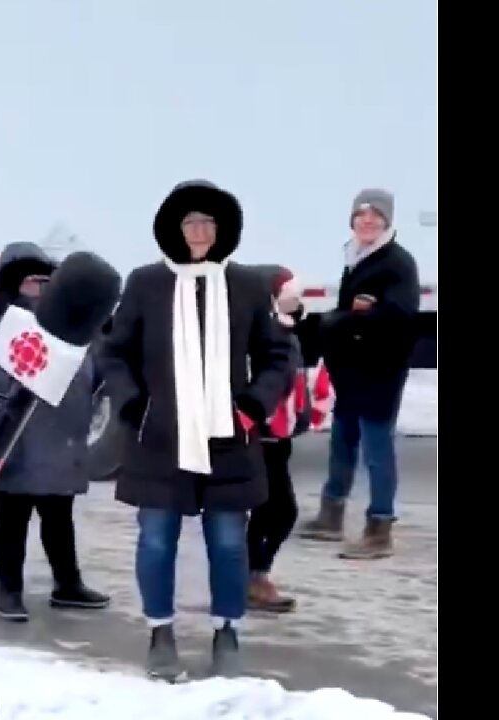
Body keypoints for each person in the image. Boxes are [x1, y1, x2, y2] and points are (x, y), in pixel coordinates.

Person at [98, 180, 296, 680]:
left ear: (223, 229)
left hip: (229, 439)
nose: (200, 231)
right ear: (174, 229)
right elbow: (114, 352)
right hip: (158, 440)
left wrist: (253, 406)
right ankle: (160, 631)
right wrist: (134, 406)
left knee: (229, 543)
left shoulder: (247, 284)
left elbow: (278, 356)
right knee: (157, 541)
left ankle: (226, 630)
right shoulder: (145, 283)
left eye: (209, 222)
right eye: (191, 223)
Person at [0, 242, 111, 622]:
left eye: (47, 281)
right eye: (33, 281)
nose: (40, 288)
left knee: (59, 517)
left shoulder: (73, 325)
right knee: (12, 519)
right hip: (10, 440)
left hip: (61, 441)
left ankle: (68, 584)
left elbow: (97, 371)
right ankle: (9, 592)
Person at [297, 188, 419, 560]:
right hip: (352, 371)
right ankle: (331, 515)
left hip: (379, 372)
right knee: (342, 441)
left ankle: (379, 528)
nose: (368, 221)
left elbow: (399, 317)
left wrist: (347, 319)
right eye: (361, 214)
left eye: (376, 215)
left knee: (376, 449)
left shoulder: (397, 262)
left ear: (387, 221)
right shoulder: (357, 255)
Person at [243, 266, 332, 613]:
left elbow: (295, 382)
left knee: (269, 511)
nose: (295, 303)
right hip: (260, 437)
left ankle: (252, 575)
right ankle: (253, 576)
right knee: (279, 510)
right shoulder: (265, 334)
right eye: (288, 296)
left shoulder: (290, 331)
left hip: (279, 438)